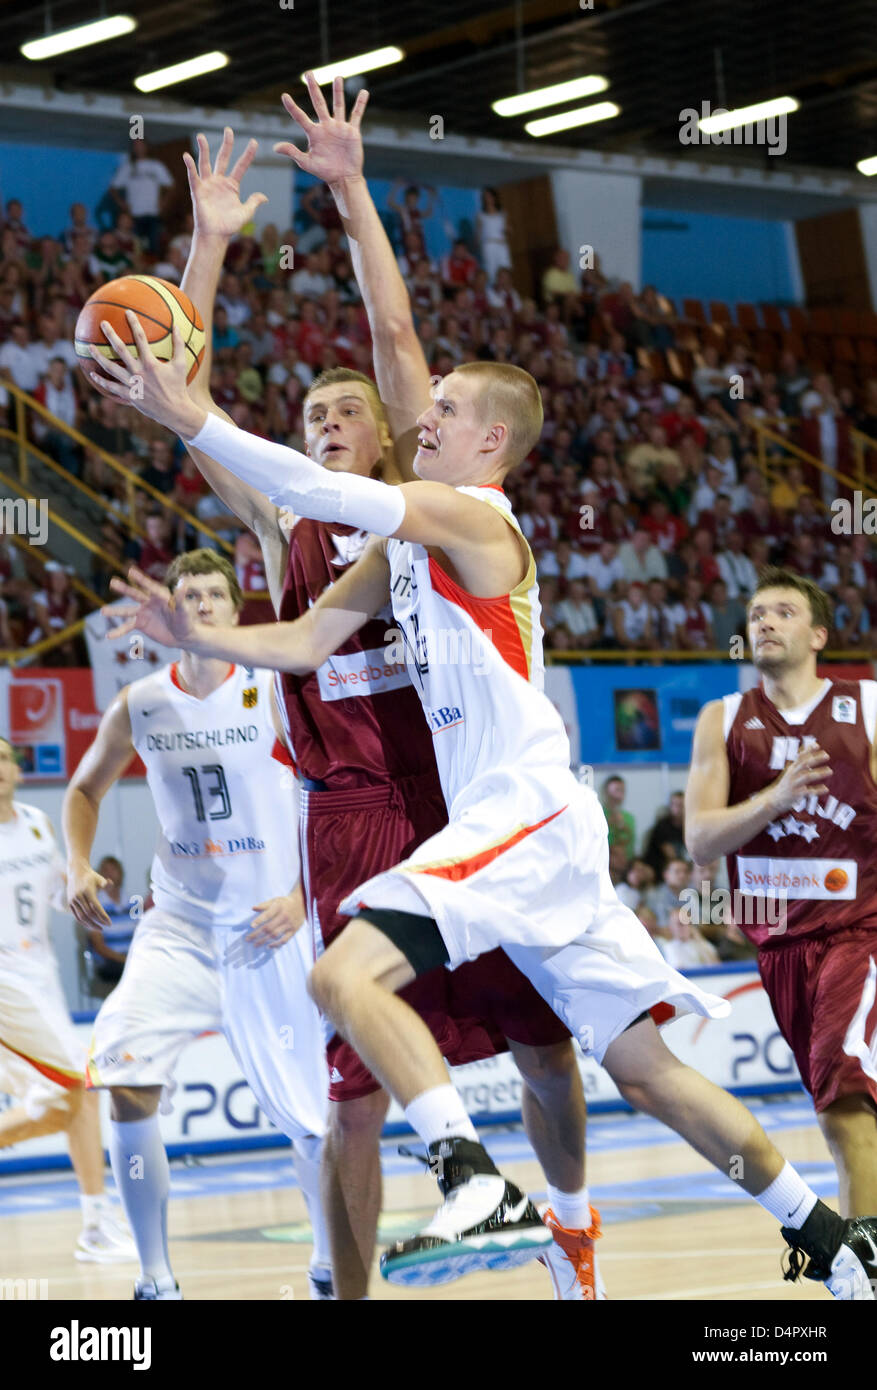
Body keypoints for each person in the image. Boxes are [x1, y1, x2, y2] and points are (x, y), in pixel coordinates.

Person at [90, 85, 877, 1301]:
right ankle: (830, 1242)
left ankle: (481, 1182)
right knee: (647, 1072)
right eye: (345, 409)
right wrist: (205, 621)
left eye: (426, 411)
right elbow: (301, 634)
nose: (411, 411)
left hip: (498, 808)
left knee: (363, 987)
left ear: (466, 441)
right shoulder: (377, 545)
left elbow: (381, 362)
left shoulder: (464, 514)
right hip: (464, 816)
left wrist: (337, 213)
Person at [158, 117, 601, 1301]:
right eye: (305, 423)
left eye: (337, 418)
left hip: (460, 799)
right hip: (348, 808)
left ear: (390, 437)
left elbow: (396, 332)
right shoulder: (285, 525)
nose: (318, 430)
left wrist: (353, 196)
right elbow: (183, 392)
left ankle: (573, 1242)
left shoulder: (427, 507)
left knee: (545, 1044)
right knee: (348, 1089)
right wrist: (206, 247)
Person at [63, 550, 332, 1301]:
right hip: (177, 927)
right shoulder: (142, 701)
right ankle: (155, 1280)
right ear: (170, 613)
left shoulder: (277, 691)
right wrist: (76, 864)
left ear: (238, 610)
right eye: (189, 594)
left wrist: (301, 897)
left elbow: (337, 799)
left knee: (312, 1120)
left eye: (215, 593)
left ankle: (324, 1266)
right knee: (123, 1070)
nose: (202, 604)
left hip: (269, 929)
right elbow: (83, 790)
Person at [686, 567, 877, 1221]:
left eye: (783, 612)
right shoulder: (723, 718)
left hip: (859, 935)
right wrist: (775, 797)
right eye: (756, 613)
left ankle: (863, 1261)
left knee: (847, 1100)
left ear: (818, 633)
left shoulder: (867, 706)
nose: (764, 622)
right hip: (778, 951)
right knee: (835, 1118)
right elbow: (699, 840)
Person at [0, 737, 136, 1263]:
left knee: (63, 1104)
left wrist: (84, 889)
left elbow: (59, 894)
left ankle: (96, 1223)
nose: (1, 768)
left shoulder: (35, 821)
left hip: (42, 978)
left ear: (17, 769)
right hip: (5, 984)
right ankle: (97, 1225)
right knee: (82, 1084)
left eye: (6, 758)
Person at [110, 138, 174, 256]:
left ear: (146, 147)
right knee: (135, 248)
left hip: (153, 213)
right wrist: (122, 204)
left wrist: (163, 203)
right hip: (134, 215)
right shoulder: (127, 167)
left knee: (154, 247)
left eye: (141, 145)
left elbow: (170, 186)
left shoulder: (156, 166)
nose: (138, 148)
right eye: (136, 146)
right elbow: (113, 188)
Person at [86, 855, 135, 984]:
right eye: (105, 870)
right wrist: (125, 959)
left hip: (132, 958)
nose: (109, 874)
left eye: (113, 870)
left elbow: (141, 935)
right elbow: (99, 946)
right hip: (109, 962)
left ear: (121, 874)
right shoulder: (94, 905)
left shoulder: (133, 902)